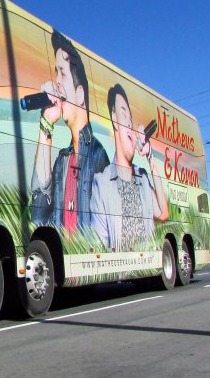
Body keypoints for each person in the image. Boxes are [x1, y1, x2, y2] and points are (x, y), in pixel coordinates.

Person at [30, 30, 109, 233]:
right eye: (56, 72)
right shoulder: (63, 160)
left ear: (80, 94)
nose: (56, 81)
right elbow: (38, 216)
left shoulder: (98, 156)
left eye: (62, 73)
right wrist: (46, 122)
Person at [91, 84, 169, 251]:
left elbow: (163, 214)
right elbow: (100, 244)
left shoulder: (143, 177)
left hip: (145, 261)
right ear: (114, 119)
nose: (129, 123)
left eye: (131, 118)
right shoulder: (101, 183)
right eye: (123, 115)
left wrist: (150, 157)